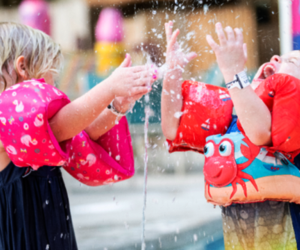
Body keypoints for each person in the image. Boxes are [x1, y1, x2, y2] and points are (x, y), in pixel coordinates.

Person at [0, 22, 156, 250]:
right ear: (23, 68)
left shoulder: (45, 129)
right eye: (51, 76)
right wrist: (110, 86)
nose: (54, 86)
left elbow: (81, 131)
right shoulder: (4, 122)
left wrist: (116, 107)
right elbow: (62, 126)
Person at [161, 20, 300, 249]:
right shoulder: (232, 124)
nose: (276, 58)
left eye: (292, 62)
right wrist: (173, 73)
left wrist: (234, 72)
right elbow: (172, 128)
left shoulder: (292, 127)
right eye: (279, 56)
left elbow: (259, 132)